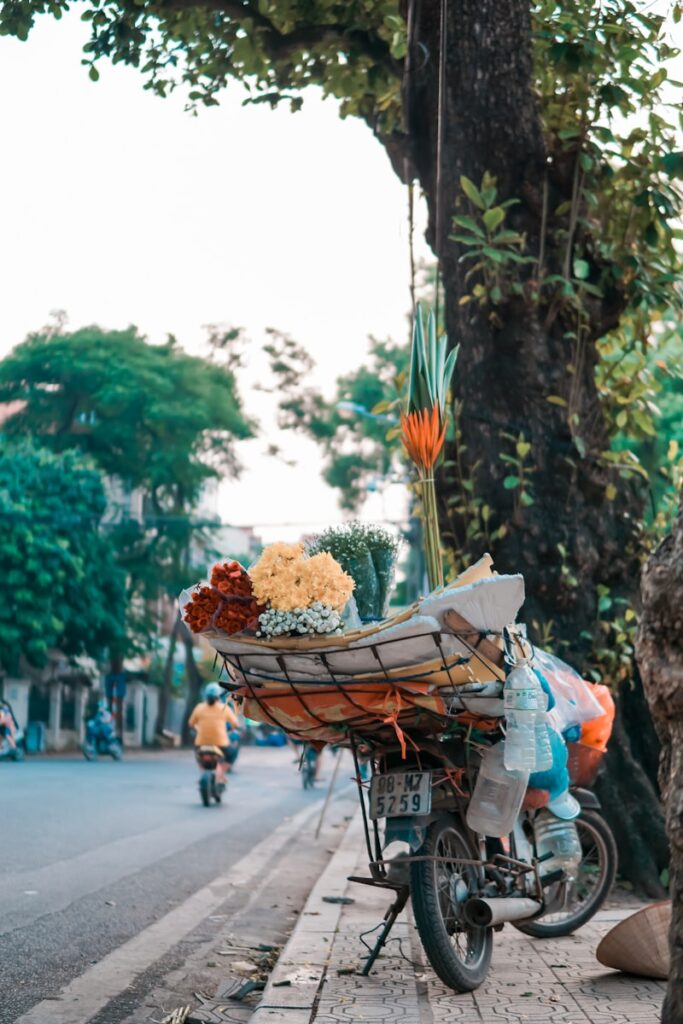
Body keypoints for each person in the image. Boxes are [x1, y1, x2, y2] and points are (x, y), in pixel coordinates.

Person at [188, 683, 239, 783]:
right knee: (232, 754)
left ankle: (203, 773)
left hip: (201, 742)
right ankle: (220, 774)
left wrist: (198, 729)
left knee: (198, 755)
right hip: (220, 743)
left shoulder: (199, 707)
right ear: (218, 696)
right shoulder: (224, 708)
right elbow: (235, 724)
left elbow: (191, 724)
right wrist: (233, 729)